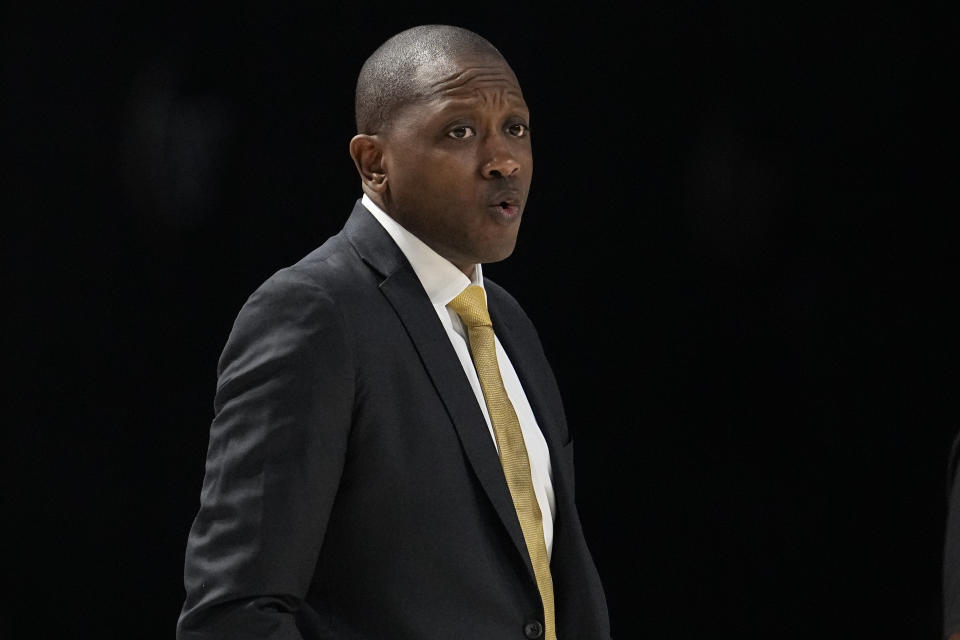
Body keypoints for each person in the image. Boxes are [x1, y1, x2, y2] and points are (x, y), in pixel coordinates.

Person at [176, 24, 611, 640]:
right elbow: (235, 615)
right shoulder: (314, 315)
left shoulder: (507, 322)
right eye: (460, 132)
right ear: (373, 162)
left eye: (515, 127)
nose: (503, 159)